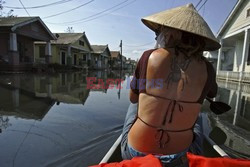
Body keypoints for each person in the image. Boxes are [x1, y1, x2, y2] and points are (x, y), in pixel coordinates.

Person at [121, 3, 220, 167]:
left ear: (171, 33)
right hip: (181, 157)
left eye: (159, 31)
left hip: (136, 152)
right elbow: (212, 94)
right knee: (197, 113)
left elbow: (132, 98)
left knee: (135, 102)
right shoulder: (208, 69)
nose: (157, 36)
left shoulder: (147, 57)